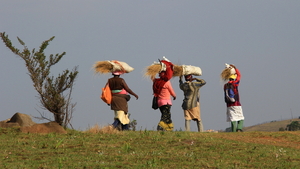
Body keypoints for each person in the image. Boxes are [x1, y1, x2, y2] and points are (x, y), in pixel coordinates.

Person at [153, 61, 176, 131]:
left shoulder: (157, 82)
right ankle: (160, 127)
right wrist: (174, 96)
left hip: (159, 102)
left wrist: (152, 72)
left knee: (167, 115)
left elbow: (152, 78)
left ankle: (169, 128)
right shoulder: (167, 82)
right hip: (166, 102)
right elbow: (171, 90)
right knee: (165, 115)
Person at [223, 65, 244, 132]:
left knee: (232, 118)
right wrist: (235, 68)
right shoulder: (235, 83)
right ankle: (239, 128)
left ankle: (233, 131)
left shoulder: (225, 85)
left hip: (229, 104)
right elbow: (239, 76)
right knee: (241, 117)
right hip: (236, 103)